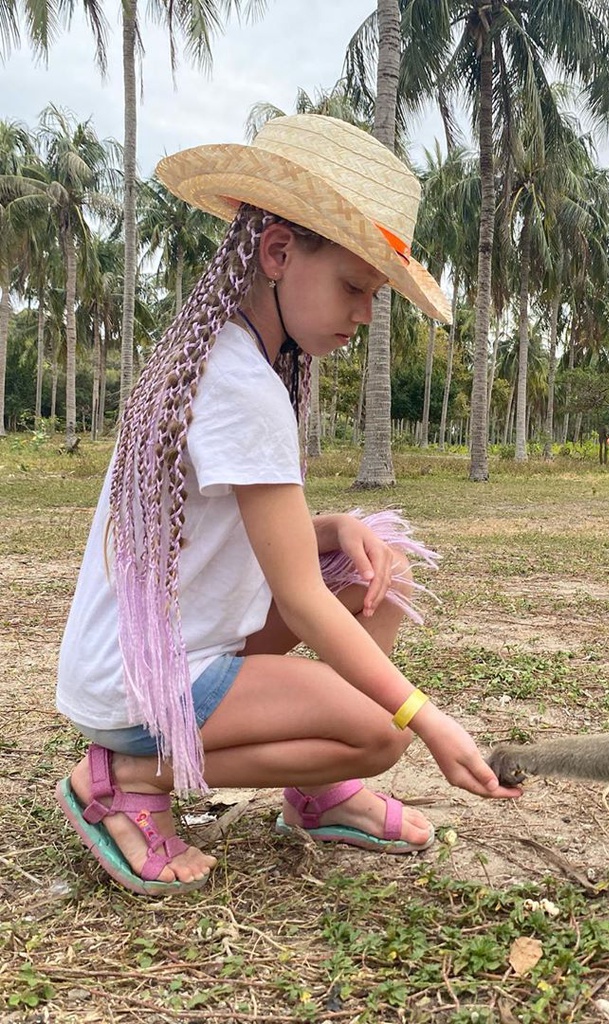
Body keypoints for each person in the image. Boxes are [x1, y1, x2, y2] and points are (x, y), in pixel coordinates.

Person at [54, 114, 520, 896]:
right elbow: (301, 600)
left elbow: (226, 538)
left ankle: (315, 789)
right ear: (277, 252)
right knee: (378, 732)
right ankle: (126, 777)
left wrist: (335, 528)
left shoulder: (229, 356)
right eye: (353, 287)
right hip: (146, 686)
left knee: (379, 564)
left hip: (150, 654)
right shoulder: (241, 384)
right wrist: (427, 719)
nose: (365, 314)